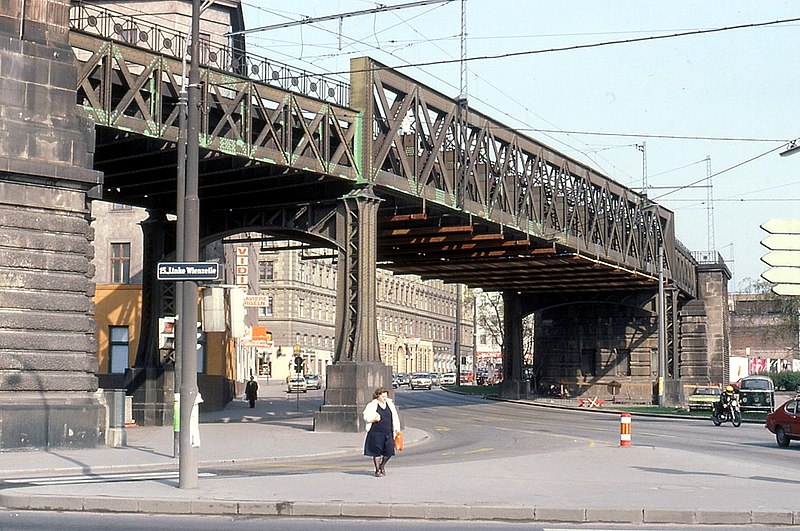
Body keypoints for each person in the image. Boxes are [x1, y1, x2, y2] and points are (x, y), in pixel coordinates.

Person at [362, 386, 400, 477]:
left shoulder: (390, 404)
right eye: (383, 396)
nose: (385, 398)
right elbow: (365, 416)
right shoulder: (372, 405)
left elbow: (395, 417)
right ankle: (377, 470)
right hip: (376, 432)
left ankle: (382, 466)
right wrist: (373, 418)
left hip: (388, 431)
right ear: (378, 396)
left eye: (386, 396)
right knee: (377, 452)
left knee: (389, 451)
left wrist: (397, 429)